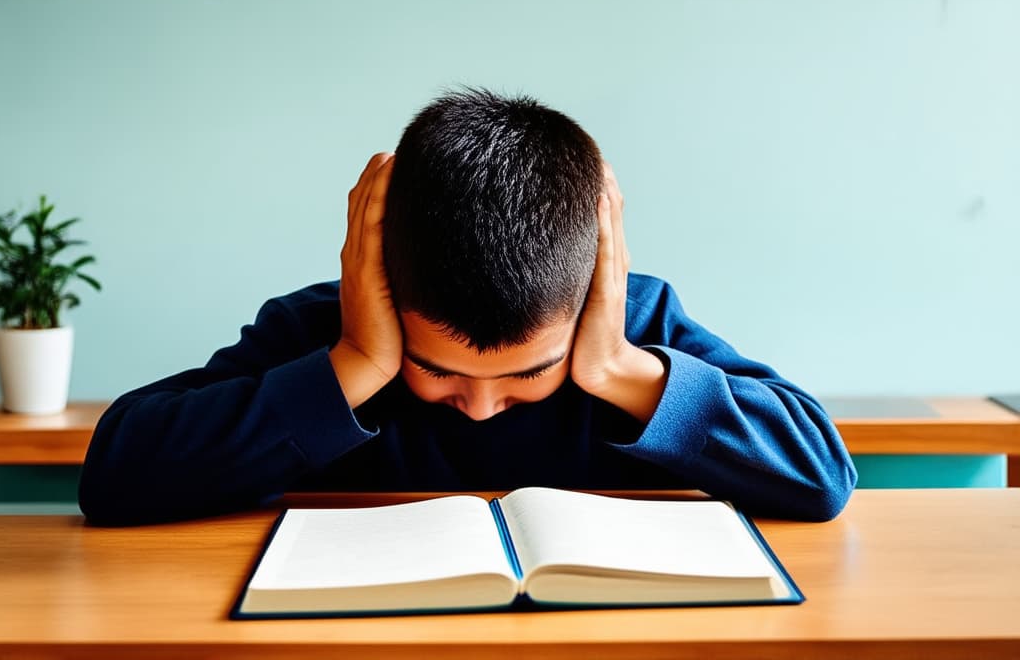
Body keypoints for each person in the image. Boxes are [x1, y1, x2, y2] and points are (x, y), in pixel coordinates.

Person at [79, 89, 856, 526]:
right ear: (378, 280)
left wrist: (620, 368)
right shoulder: (326, 332)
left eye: (528, 374)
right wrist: (354, 366)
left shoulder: (629, 326)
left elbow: (821, 475)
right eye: (435, 369)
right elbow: (114, 476)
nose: (481, 407)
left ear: (591, 295)